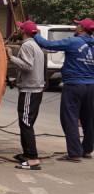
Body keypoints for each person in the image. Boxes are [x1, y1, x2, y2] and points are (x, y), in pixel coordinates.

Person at [34, 18, 94, 162]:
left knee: (70, 118)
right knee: (89, 119)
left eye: (77, 25)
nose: (75, 27)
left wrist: (34, 33)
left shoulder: (73, 42)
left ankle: (74, 153)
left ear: (82, 28)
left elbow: (47, 44)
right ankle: (86, 150)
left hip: (74, 85)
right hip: (91, 86)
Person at [6, 20, 46, 170]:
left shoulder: (27, 45)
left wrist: (11, 57)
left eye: (20, 28)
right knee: (25, 122)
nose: (17, 30)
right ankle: (27, 154)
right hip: (32, 88)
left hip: (30, 90)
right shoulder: (35, 45)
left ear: (23, 31)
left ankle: (33, 158)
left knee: (26, 123)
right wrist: (17, 80)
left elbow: (28, 66)